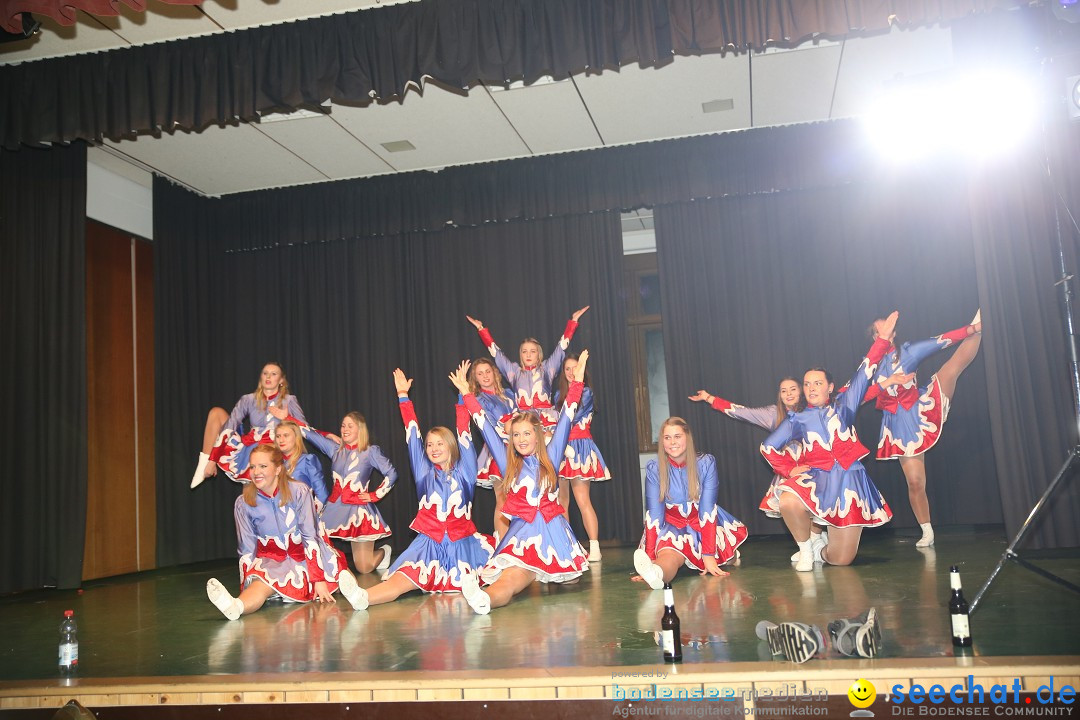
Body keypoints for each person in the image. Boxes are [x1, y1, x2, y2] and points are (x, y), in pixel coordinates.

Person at [338, 368, 496, 609]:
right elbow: (412, 434)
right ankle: (364, 598)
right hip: (428, 543)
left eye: (439, 443)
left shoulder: (466, 472)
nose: (433, 448)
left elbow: (464, 432)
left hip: (461, 544)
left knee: (470, 584)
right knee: (404, 580)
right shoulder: (423, 473)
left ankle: (483, 601)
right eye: (430, 444)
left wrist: (462, 395)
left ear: (451, 446)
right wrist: (403, 396)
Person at [452, 353, 592, 614]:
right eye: (516, 435)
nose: (521, 439)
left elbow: (567, 417)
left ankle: (490, 595)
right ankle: (485, 599)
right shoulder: (509, 464)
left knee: (570, 581)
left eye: (527, 433)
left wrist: (577, 383)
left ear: (537, 435)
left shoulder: (551, 455)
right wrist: (467, 395)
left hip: (554, 536)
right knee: (512, 578)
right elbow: (484, 426)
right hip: (524, 535)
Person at [761, 312, 899, 572]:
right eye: (807, 384)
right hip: (816, 479)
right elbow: (767, 447)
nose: (812, 388)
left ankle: (820, 551)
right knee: (788, 500)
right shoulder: (797, 419)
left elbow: (865, 371)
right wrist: (788, 470)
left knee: (841, 559)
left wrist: (881, 340)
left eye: (817, 383)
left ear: (830, 387)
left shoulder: (845, 406)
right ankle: (805, 548)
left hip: (848, 483)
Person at [863, 312, 982, 547]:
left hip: (919, 407)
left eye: (888, 327)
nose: (885, 332)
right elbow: (859, 396)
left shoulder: (908, 351)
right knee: (916, 482)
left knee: (951, 367)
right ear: (875, 337)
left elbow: (942, 340)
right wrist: (884, 384)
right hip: (898, 423)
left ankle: (981, 322)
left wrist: (971, 329)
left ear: (894, 332)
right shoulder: (869, 366)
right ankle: (926, 530)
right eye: (879, 330)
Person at [205, 444, 351, 620]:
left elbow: (309, 536)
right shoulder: (243, 503)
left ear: (278, 469)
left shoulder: (299, 491)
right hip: (273, 562)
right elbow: (246, 548)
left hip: (307, 556)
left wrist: (318, 579)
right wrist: (245, 585)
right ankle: (236, 606)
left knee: (342, 575)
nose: (256, 472)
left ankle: (361, 596)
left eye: (263, 466)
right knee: (258, 587)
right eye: (252, 466)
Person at [688, 379, 820, 559]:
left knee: (816, 506)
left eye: (793, 389)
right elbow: (742, 412)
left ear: (802, 391)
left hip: (815, 469)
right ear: (779, 395)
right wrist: (709, 398)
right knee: (794, 508)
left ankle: (817, 540)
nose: (788, 394)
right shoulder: (774, 414)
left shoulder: (814, 411)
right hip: (789, 472)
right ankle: (808, 547)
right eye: (783, 391)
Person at [632, 417, 748, 589]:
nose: (672, 442)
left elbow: (707, 509)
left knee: (725, 559)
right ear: (662, 441)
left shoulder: (706, 463)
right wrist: (650, 556)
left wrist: (709, 555)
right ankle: (655, 573)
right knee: (668, 556)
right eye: (667, 438)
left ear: (688, 437)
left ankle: (728, 555)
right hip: (671, 525)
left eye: (677, 436)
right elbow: (654, 514)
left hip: (702, 524)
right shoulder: (654, 468)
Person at [299, 412, 397, 576]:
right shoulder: (335, 449)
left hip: (358, 512)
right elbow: (309, 433)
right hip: (334, 509)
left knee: (364, 568)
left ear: (360, 429)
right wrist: (287, 417)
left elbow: (392, 474)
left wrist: (374, 495)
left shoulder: (370, 451)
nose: (345, 429)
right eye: (343, 425)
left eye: (350, 426)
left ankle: (384, 552)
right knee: (316, 539)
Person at [465, 306, 589, 430]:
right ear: (521, 354)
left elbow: (561, 348)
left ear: (538, 354)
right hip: (524, 420)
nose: (528, 355)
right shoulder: (514, 372)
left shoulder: (547, 369)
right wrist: (481, 329)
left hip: (546, 420)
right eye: (524, 351)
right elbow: (496, 353)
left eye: (532, 351)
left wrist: (573, 322)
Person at [191, 362, 307, 488]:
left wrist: (286, 417)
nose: (268, 377)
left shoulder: (289, 400)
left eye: (273, 374)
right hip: (251, 446)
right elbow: (230, 426)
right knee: (216, 413)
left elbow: (305, 429)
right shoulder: (248, 399)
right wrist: (212, 460)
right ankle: (204, 463)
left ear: (281, 380)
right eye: (265, 373)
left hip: (275, 449)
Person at [555, 353, 610, 562]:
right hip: (560, 448)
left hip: (580, 447)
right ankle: (569, 545)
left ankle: (594, 547)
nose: (571, 372)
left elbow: (570, 417)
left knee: (582, 499)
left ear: (583, 369)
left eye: (575, 367)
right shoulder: (556, 397)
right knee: (562, 501)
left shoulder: (586, 392)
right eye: (567, 369)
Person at [467, 356, 517, 540]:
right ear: (475, 379)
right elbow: (493, 425)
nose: (485, 376)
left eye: (487, 371)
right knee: (502, 499)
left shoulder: (510, 395)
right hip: (497, 452)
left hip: (519, 450)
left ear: (495, 372)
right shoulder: (479, 399)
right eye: (480, 374)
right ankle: (502, 545)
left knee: (522, 498)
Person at [274, 420, 328, 509]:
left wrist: (309, 516)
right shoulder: (273, 464)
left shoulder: (308, 460)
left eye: (286, 435)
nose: (281, 440)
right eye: (278, 436)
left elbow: (322, 495)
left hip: (303, 517)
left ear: (296, 437)